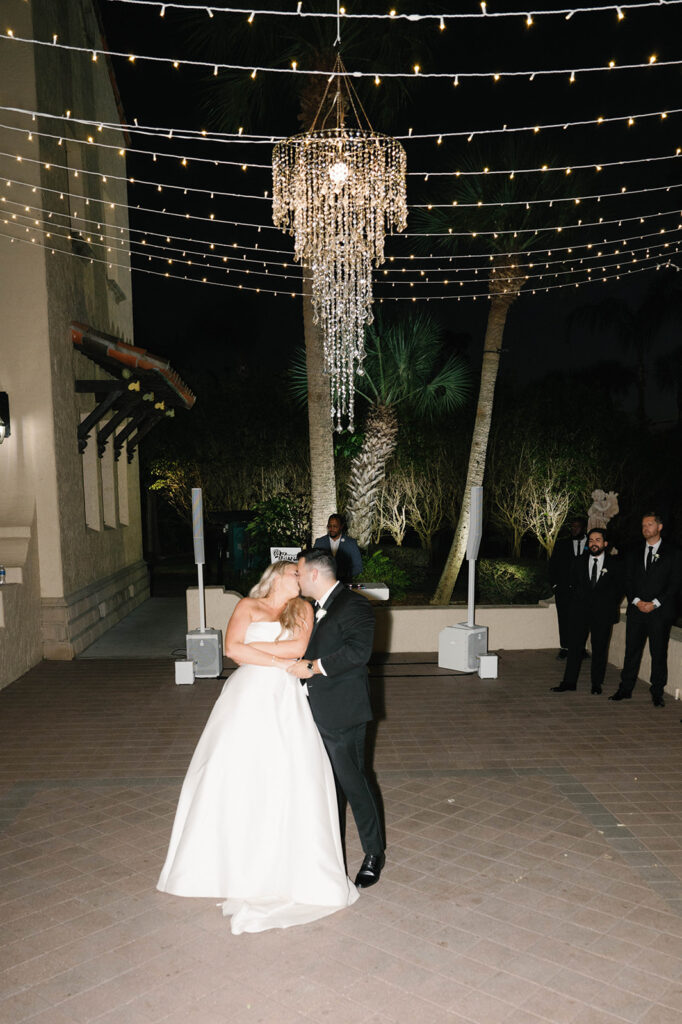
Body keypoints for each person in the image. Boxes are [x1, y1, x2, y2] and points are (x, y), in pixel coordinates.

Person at [157, 561, 358, 934]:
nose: (300, 578)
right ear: (275, 576)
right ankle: (225, 861)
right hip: (246, 695)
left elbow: (297, 646)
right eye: (293, 573)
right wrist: (274, 657)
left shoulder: (303, 610)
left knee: (285, 774)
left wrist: (257, 650)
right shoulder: (247, 606)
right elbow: (232, 649)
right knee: (233, 773)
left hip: (283, 696)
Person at [288, 548, 385, 889]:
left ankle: (373, 852)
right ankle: (328, 851)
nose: (296, 579)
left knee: (353, 782)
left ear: (315, 574)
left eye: (299, 573)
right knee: (323, 785)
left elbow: (358, 652)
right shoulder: (309, 607)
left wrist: (313, 667)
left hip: (342, 711)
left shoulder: (355, 604)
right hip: (307, 710)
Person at [610, 512, 682, 707]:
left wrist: (656, 602)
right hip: (636, 611)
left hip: (660, 612)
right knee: (631, 652)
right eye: (643, 525)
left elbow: (675, 583)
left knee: (658, 653)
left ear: (659, 527)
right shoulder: (634, 552)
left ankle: (657, 692)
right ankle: (625, 689)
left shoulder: (673, 553)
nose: (645, 529)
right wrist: (636, 601)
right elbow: (628, 580)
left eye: (650, 525)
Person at [550, 528, 624, 695]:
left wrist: (607, 605)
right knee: (574, 647)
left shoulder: (614, 564)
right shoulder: (578, 561)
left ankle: (596, 684)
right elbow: (572, 584)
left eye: (598, 540)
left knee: (599, 649)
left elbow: (619, 589)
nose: (593, 543)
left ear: (605, 543)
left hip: (603, 614)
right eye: (591, 540)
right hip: (579, 612)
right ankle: (569, 682)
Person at [549, 516, 588, 659]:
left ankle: (581, 647)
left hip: (584, 591)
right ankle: (565, 647)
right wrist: (555, 585)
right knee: (564, 619)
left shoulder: (591, 544)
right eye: (572, 526)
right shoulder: (561, 544)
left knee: (583, 620)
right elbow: (552, 566)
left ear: (584, 528)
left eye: (577, 526)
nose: (574, 529)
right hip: (564, 590)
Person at [313, 513, 363, 584]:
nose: (331, 529)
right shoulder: (319, 542)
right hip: (323, 584)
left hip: (344, 585)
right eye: (329, 526)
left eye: (335, 526)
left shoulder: (351, 543)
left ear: (341, 526)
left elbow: (358, 567)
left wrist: (343, 574)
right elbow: (313, 563)